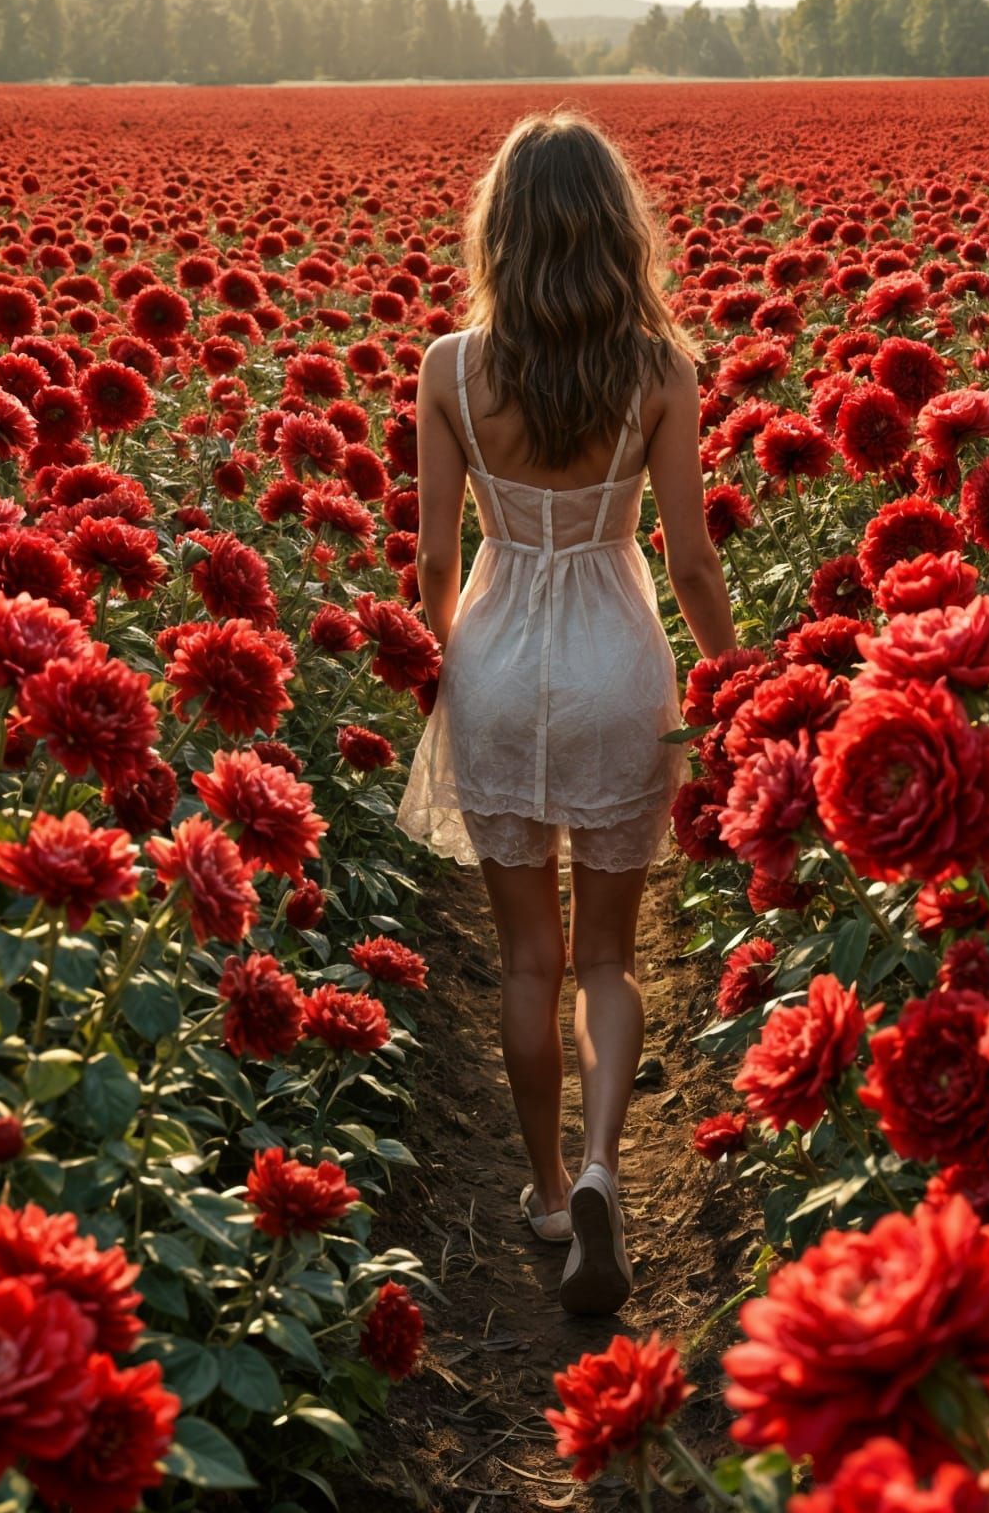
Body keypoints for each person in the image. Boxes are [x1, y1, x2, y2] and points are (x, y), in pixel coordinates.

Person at [396, 111, 737, 1316]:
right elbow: (691, 561)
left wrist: (454, 660)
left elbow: (436, 556)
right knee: (606, 955)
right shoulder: (659, 368)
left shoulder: (450, 366)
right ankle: (604, 1166)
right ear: (614, 230)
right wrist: (739, 678)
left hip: (497, 651)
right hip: (616, 657)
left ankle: (545, 1189)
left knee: (526, 960)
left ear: (501, 228)